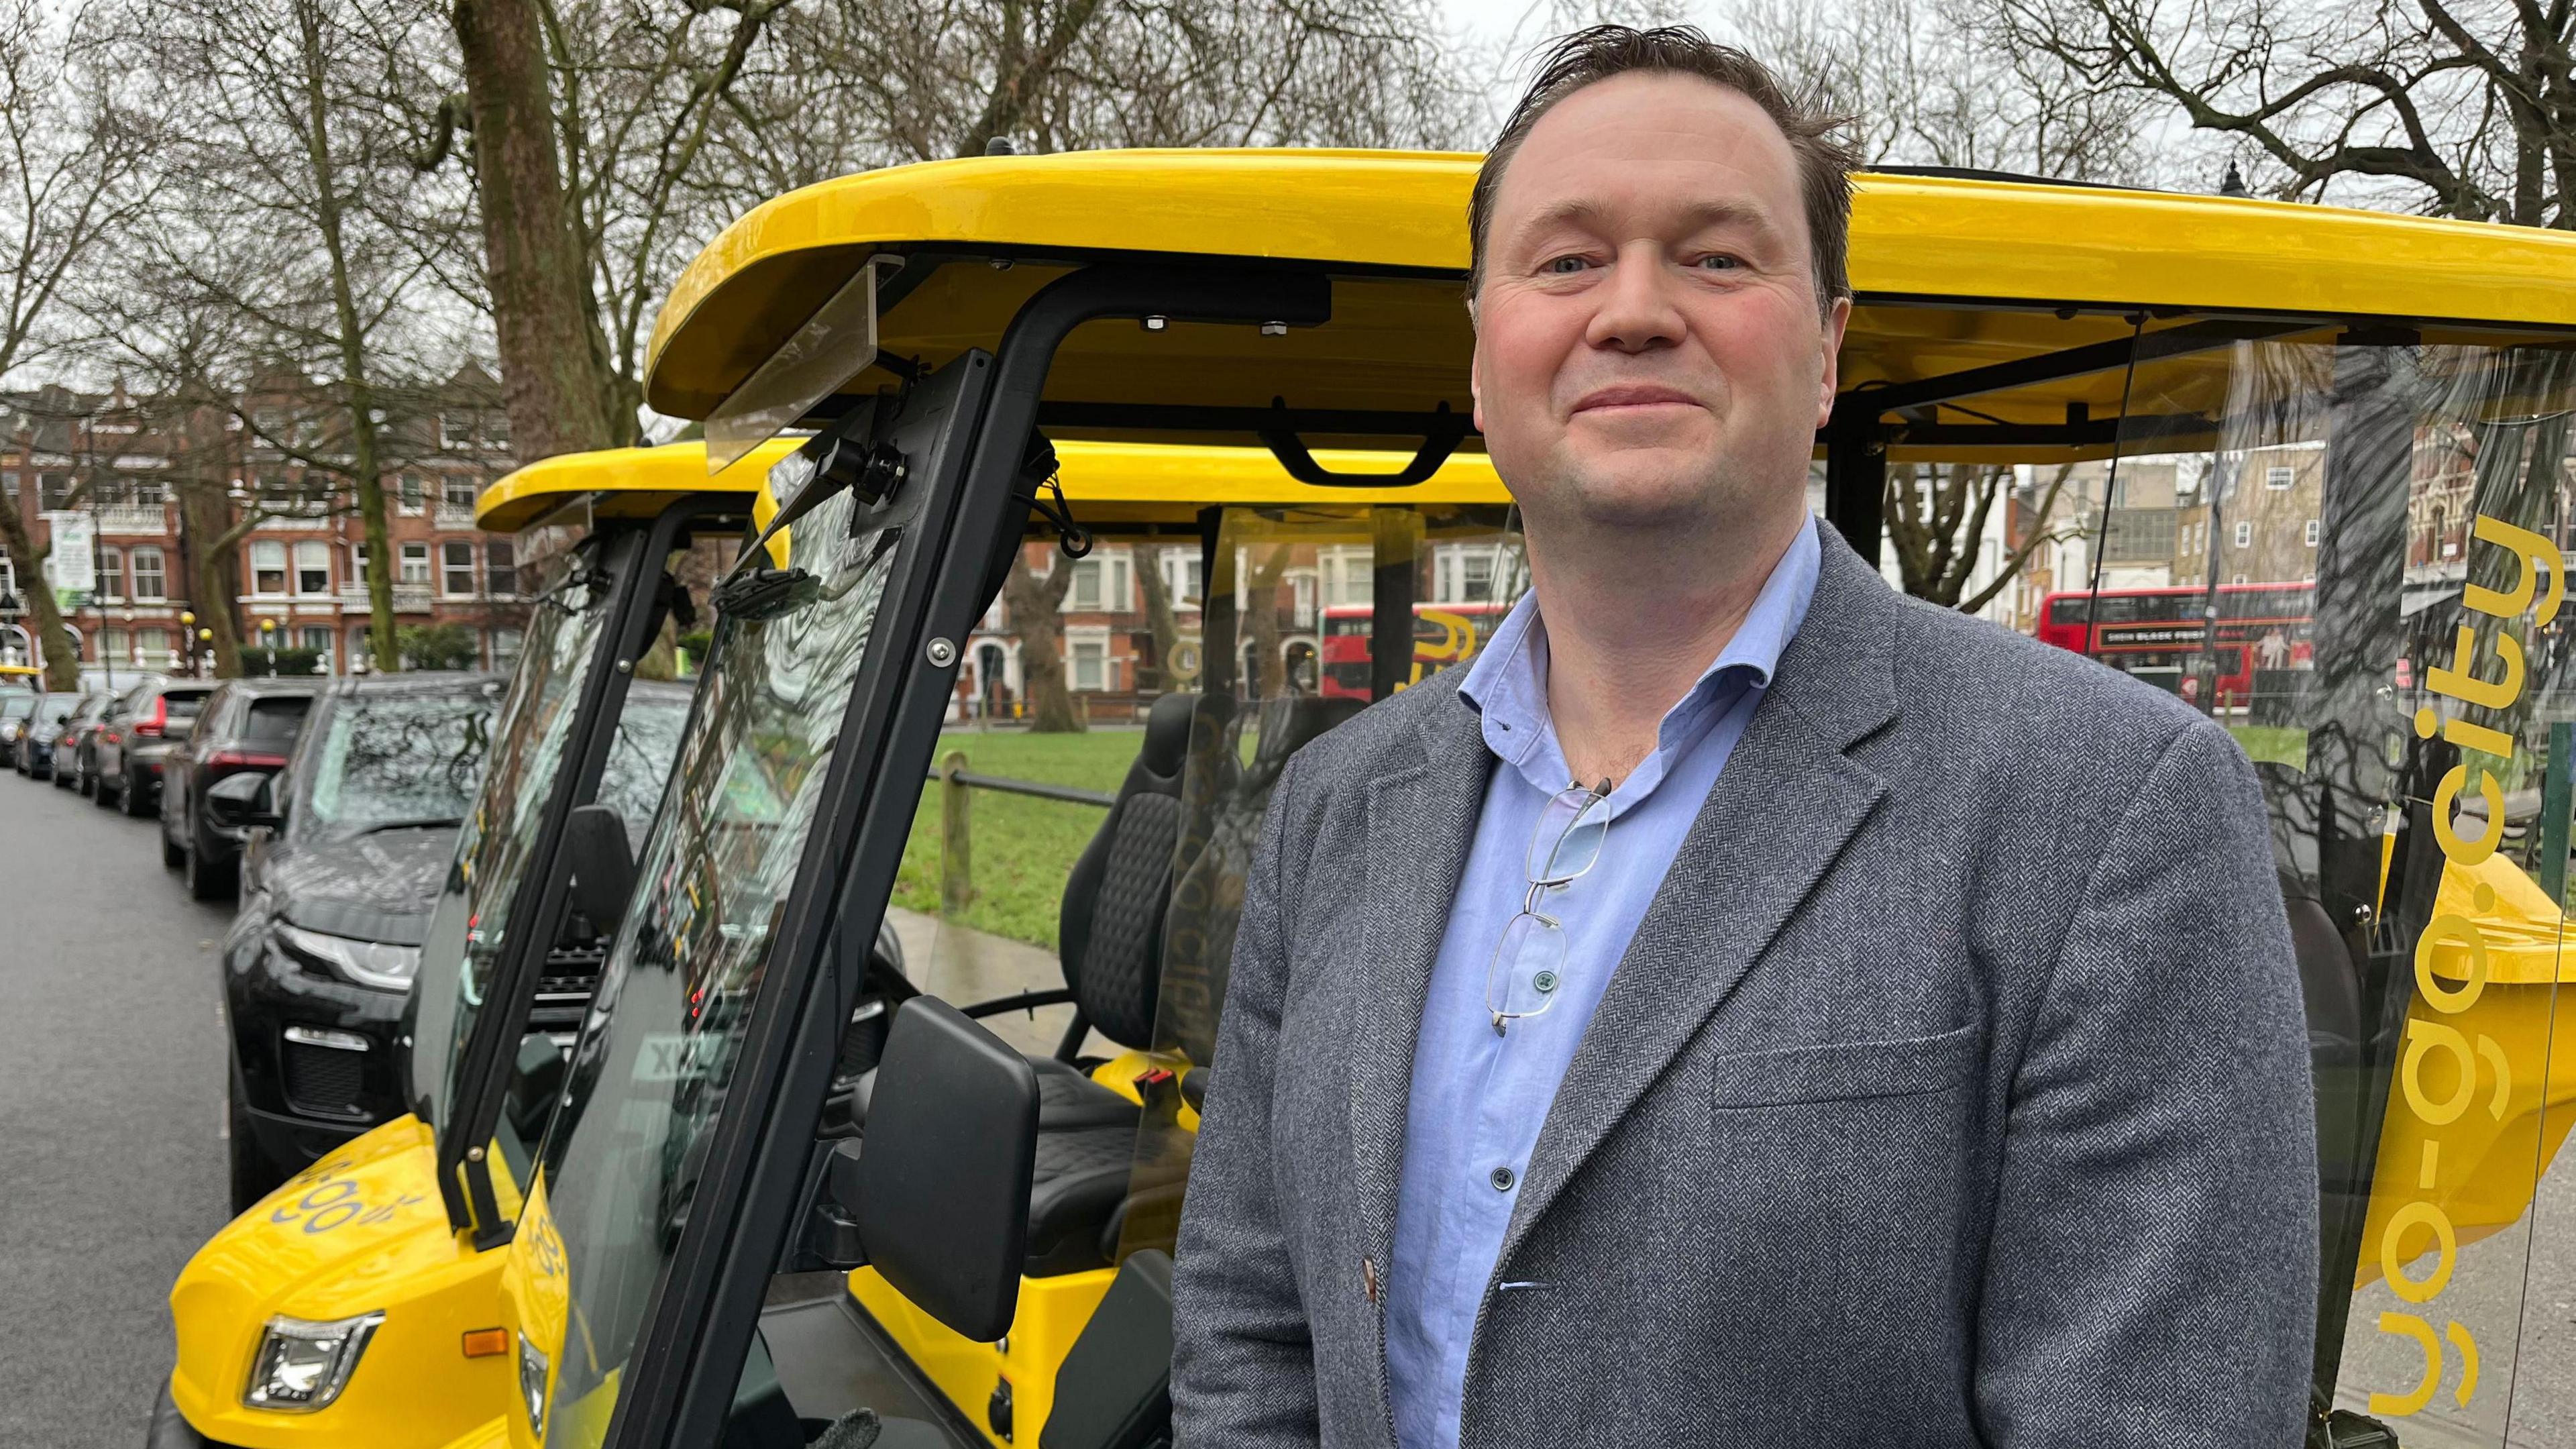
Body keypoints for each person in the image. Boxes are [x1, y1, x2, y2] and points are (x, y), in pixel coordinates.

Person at [1171, 24, 2316, 1449]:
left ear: (1828, 347)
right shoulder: (1338, 805)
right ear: (1483, 357)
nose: (1635, 310)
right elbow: (1252, 1330)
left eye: (1718, 257)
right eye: (1566, 259)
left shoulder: (2109, 808)